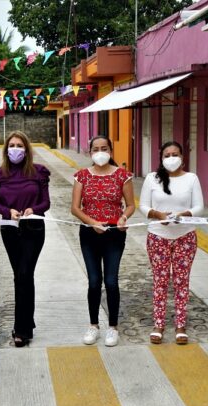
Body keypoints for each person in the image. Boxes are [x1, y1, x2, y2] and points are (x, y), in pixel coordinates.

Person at [0, 131, 50, 347]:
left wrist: (33, 208)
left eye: (20, 145)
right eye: (12, 145)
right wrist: (9, 211)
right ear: (6, 149)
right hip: (10, 229)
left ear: (27, 149)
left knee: (24, 273)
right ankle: (26, 323)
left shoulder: (38, 172)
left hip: (33, 228)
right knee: (21, 276)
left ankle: (21, 329)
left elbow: (46, 203)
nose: (15, 149)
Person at [70, 135, 134, 347]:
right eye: (96, 149)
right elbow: (75, 208)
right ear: (90, 152)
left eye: (104, 148)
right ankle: (93, 325)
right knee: (94, 281)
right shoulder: (82, 176)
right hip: (89, 233)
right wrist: (93, 222)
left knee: (112, 281)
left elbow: (130, 205)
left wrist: (124, 217)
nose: (100, 152)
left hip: (115, 233)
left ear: (111, 150)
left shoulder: (123, 176)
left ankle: (113, 327)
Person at [139, 141, 204, 345]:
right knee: (160, 281)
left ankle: (180, 324)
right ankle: (158, 323)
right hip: (158, 236)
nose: (171, 158)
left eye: (175, 154)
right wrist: (157, 214)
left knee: (181, 281)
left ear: (183, 157)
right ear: (161, 158)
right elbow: (143, 205)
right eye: (167, 155)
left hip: (185, 236)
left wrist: (184, 214)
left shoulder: (191, 178)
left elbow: (199, 207)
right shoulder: (152, 178)